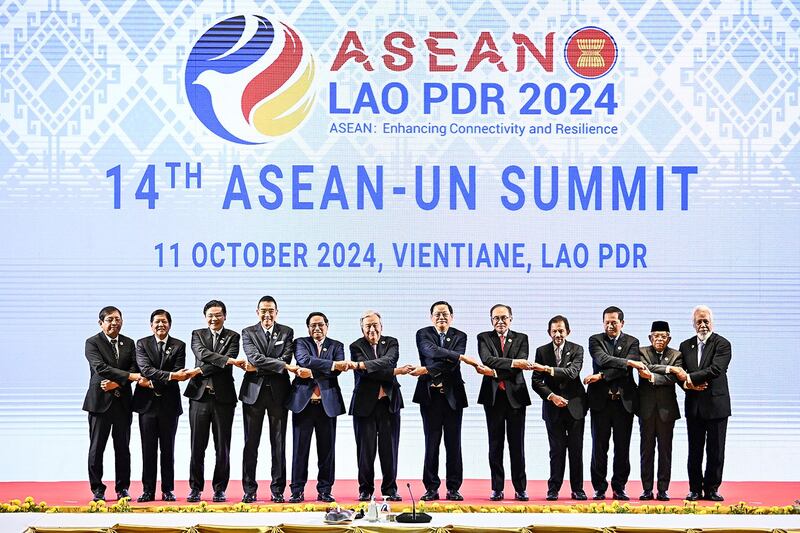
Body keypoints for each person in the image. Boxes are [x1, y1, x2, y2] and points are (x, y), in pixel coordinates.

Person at [412, 301, 476, 502]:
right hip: (429, 397)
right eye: (437, 314)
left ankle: (453, 488)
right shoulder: (423, 334)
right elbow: (430, 353)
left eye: (445, 314)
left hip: (453, 397)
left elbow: (451, 365)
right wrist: (458, 356)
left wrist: (431, 368)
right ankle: (431, 488)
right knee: (431, 443)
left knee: (453, 443)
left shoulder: (460, 336)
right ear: (431, 317)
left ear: (452, 316)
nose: (441, 317)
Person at [349, 310, 413, 502]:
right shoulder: (356, 346)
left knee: (390, 449)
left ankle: (390, 489)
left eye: (375, 324)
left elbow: (388, 361)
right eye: (368, 325)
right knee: (365, 450)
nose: (372, 329)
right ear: (362, 328)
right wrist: (395, 371)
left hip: (389, 403)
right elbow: (368, 374)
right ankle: (365, 489)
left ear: (381, 326)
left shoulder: (391, 342)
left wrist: (366, 365)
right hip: (364, 405)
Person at [185, 299, 243, 503]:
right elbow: (202, 354)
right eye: (210, 315)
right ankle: (195, 488)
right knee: (197, 445)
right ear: (205, 317)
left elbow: (227, 363)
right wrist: (224, 359)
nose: (214, 318)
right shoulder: (197, 334)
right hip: (199, 397)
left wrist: (200, 369)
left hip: (223, 399)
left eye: (218, 315)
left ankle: (220, 488)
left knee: (222, 446)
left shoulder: (234, 336)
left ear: (225, 316)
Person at [239, 295, 295, 504]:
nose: (267, 314)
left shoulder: (286, 332)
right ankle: (249, 490)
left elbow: (286, 359)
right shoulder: (248, 332)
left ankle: (278, 490)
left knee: (278, 444)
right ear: (257, 312)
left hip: (279, 394)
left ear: (276, 312)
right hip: (253, 393)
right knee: (250, 444)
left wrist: (264, 365)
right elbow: (254, 357)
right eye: (263, 310)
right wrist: (277, 364)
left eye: (271, 310)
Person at [584, 306, 643, 501]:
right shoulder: (595, 340)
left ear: (622, 323)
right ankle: (599, 488)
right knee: (599, 447)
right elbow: (601, 359)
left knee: (622, 447)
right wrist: (626, 363)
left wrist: (601, 375)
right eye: (607, 322)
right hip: (601, 402)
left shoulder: (633, 342)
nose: (610, 325)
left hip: (623, 403)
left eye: (614, 322)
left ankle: (619, 487)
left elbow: (624, 370)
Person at [83, 306, 142, 502]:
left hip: (122, 403)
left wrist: (117, 382)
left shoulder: (129, 342)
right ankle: (97, 489)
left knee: (123, 448)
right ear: (101, 323)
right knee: (97, 448)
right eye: (110, 319)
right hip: (99, 403)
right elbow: (100, 367)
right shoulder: (92, 342)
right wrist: (128, 376)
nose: (114, 323)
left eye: (117, 319)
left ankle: (122, 488)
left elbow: (135, 368)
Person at [286, 312, 346, 503]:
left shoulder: (337, 345)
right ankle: (296, 490)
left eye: (321, 325)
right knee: (299, 450)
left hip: (327, 405)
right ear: (308, 328)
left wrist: (311, 373)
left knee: (327, 450)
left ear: (327, 326)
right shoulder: (301, 343)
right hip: (303, 405)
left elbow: (337, 372)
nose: (317, 328)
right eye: (313, 325)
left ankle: (325, 489)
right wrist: (331, 365)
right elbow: (304, 360)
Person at [132, 309, 192, 502]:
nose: (160, 325)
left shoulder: (179, 345)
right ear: (151, 325)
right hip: (146, 405)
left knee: (168, 449)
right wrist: (169, 376)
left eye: (164, 322)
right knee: (148, 449)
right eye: (157, 322)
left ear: (170, 324)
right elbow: (145, 369)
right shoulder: (142, 344)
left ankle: (168, 489)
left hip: (169, 405)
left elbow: (179, 371)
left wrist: (152, 381)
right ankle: (148, 490)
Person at [673, 305, 731, 502]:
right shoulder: (684, 345)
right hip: (694, 407)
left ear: (712, 322)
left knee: (716, 451)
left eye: (706, 320)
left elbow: (716, 369)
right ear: (693, 324)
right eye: (699, 321)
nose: (703, 324)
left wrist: (689, 378)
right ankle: (695, 489)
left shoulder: (722, 344)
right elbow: (678, 374)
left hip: (717, 407)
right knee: (694, 450)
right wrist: (687, 385)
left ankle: (712, 488)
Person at [476, 304, 532, 501]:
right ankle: (497, 488)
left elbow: (521, 364)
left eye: (504, 318)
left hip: (516, 397)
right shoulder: (484, 337)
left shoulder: (521, 338)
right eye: (496, 318)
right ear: (491, 320)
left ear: (511, 318)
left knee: (517, 445)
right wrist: (512, 362)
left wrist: (495, 372)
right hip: (493, 398)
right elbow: (487, 359)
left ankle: (520, 488)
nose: (500, 321)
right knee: (495, 444)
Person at [530, 315, 588, 501]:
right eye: (554, 331)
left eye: (561, 330)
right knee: (556, 450)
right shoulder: (541, 351)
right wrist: (551, 396)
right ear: (549, 333)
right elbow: (536, 381)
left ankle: (578, 489)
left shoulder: (577, 349)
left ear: (568, 332)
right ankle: (553, 489)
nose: (558, 334)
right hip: (553, 408)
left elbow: (572, 373)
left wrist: (547, 369)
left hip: (575, 407)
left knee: (576, 449)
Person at [635, 320, 682, 502]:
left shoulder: (677, 354)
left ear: (669, 338)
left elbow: (673, 380)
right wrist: (670, 369)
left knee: (665, 451)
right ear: (650, 337)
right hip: (646, 409)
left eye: (663, 336)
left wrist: (654, 376)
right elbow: (644, 369)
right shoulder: (641, 352)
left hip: (666, 410)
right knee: (646, 451)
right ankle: (647, 489)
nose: (660, 339)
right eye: (656, 336)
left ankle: (663, 489)